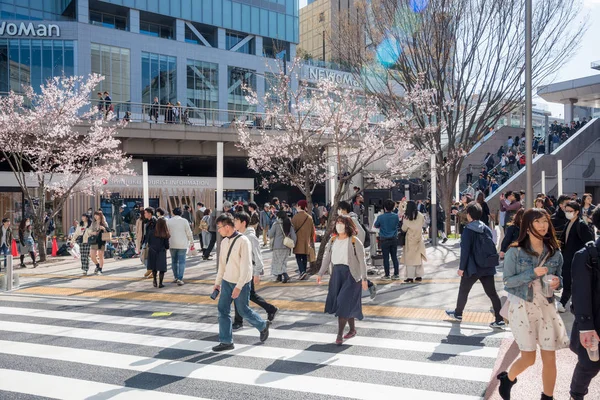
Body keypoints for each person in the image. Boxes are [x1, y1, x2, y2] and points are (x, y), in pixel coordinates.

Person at [497, 208, 568, 400]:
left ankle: (547, 397)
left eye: (545, 221)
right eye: (537, 222)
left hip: (546, 307)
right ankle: (508, 379)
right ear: (527, 226)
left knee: (550, 358)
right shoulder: (515, 251)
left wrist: (557, 282)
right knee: (529, 358)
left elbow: (560, 278)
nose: (543, 225)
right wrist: (531, 274)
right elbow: (507, 281)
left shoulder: (555, 252)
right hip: (522, 307)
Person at [212, 213, 271, 352]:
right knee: (222, 310)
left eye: (219, 227)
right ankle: (226, 341)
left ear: (227, 226)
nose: (218, 230)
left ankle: (262, 325)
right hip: (227, 281)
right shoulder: (224, 241)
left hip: (242, 283)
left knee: (243, 310)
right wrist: (217, 283)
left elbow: (247, 267)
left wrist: (239, 287)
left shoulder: (243, 241)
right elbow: (222, 265)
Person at [446, 202, 504, 328]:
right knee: (492, 293)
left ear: (469, 215)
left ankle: (458, 313)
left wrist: (461, 268)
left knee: (464, 291)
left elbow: (465, 251)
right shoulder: (486, 228)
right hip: (487, 266)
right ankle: (499, 319)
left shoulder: (468, 230)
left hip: (473, 267)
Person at [317, 215, 369, 345]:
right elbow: (327, 258)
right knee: (346, 303)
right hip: (336, 275)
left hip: (352, 276)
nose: (339, 225)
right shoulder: (332, 240)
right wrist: (321, 273)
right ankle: (352, 329)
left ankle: (339, 334)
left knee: (343, 302)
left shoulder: (354, 241)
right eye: (337, 222)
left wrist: (364, 279)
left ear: (348, 225)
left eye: (342, 223)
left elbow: (362, 262)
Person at [568, 207, 600, 399]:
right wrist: (586, 326)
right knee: (589, 365)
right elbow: (580, 294)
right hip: (594, 322)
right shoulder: (586, 255)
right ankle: (576, 395)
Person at [232, 212, 278, 330]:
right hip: (240, 269)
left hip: (249, 270)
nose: (234, 223)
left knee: (241, 293)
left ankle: (239, 320)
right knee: (244, 294)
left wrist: (257, 273)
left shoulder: (251, 237)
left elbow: (258, 256)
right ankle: (270, 309)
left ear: (243, 223)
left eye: (236, 221)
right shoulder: (238, 236)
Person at [558, 201, 595, 313]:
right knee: (569, 281)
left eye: (570, 211)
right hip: (567, 258)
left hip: (576, 259)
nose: (568, 213)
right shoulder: (568, 223)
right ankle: (571, 304)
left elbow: (589, 242)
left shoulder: (581, 225)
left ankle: (563, 302)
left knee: (571, 282)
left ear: (577, 212)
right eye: (566, 211)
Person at [338, 200, 377, 299]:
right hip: (346, 250)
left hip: (352, 251)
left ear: (344, 210)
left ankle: (369, 285)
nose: (338, 211)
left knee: (353, 272)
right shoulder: (344, 219)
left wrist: (356, 244)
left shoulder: (351, 219)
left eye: (339, 209)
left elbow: (362, 233)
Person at [400, 200, 427, 282]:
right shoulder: (421, 216)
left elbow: (404, 228)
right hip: (419, 238)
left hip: (410, 239)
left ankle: (410, 277)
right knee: (418, 258)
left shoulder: (407, 217)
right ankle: (419, 276)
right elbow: (423, 224)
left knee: (410, 259)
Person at [374, 199, 400, 280]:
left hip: (384, 239)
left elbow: (375, 226)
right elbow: (398, 225)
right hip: (394, 239)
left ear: (384, 208)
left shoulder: (380, 217)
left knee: (386, 258)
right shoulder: (396, 216)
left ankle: (387, 275)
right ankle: (396, 274)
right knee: (394, 257)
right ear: (393, 208)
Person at [167, 207, 194, 286]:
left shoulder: (169, 221)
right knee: (182, 262)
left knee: (174, 261)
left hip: (172, 243)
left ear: (173, 213)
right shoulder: (184, 221)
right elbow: (189, 232)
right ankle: (180, 278)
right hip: (182, 244)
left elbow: (167, 232)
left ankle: (175, 277)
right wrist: (191, 241)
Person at [269, 210, 297, 283]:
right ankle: (279, 277)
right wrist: (293, 243)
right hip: (286, 245)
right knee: (283, 261)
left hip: (277, 246)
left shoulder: (276, 224)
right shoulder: (289, 224)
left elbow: (270, 234)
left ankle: (285, 275)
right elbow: (294, 236)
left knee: (278, 261)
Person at [292, 200, 315, 280]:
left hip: (297, 240)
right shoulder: (309, 217)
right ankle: (304, 271)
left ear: (299, 206)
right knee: (304, 257)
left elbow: (292, 229)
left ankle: (302, 271)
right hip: (306, 240)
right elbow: (312, 231)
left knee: (298, 257)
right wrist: (312, 239)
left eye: (297, 206)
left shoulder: (295, 217)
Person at [145, 216, 170, 288]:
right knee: (162, 268)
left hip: (152, 250)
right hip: (161, 251)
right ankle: (160, 283)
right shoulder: (164, 233)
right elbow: (167, 245)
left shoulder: (151, 232)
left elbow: (148, 242)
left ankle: (155, 281)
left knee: (154, 267)